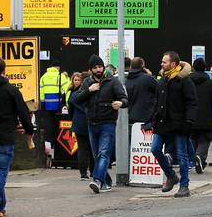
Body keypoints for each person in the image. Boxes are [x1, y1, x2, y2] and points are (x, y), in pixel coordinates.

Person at [0, 58, 34, 217]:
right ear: (4, 71)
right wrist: (29, 131)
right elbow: (24, 114)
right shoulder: (11, 90)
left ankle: (0, 206)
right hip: (5, 137)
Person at [72, 55, 128, 195]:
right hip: (91, 123)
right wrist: (89, 90)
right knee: (97, 155)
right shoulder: (87, 83)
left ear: (103, 67)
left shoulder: (112, 81)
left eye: (100, 67)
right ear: (91, 69)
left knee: (103, 153)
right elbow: (75, 99)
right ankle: (107, 182)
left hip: (108, 123)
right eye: (95, 67)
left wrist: (120, 103)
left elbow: (124, 97)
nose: (98, 69)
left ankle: (97, 180)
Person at [150, 51, 197, 197]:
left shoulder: (184, 80)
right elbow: (157, 103)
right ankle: (171, 176)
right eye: (162, 62)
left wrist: (189, 121)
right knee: (155, 149)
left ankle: (184, 186)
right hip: (162, 124)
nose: (161, 64)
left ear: (174, 64)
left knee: (182, 155)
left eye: (164, 62)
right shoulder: (162, 80)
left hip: (179, 124)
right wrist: (152, 120)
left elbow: (192, 102)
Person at [188, 60, 212, 172]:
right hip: (206, 116)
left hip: (191, 115)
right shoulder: (209, 82)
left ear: (193, 67)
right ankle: (200, 157)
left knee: (193, 138)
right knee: (204, 140)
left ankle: (195, 159)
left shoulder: (187, 80)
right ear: (205, 68)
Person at [67, 71, 94, 181]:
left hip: (79, 123)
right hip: (91, 122)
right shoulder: (92, 93)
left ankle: (83, 173)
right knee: (93, 148)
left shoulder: (74, 95)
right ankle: (93, 171)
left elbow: (70, 110)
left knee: (82, 148)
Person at [125, 57, 158, 126]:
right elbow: (160, 89)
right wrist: (151, 76)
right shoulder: (147, 78)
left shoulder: (125, 80)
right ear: (143, 67)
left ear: (131, 66)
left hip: (129, 117)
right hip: (145, 118)